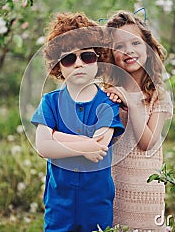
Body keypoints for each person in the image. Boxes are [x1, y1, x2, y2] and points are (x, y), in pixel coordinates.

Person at [30, 12, 125, 232]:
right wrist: (84, 148)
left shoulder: (107, 103)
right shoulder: (51, 102)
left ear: (99, 59)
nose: (79, 64)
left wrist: (56, 136)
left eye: (87, 56)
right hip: (59, 203)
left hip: (96, 204)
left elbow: (99, 146)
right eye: (69, 58)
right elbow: (43, 147)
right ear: (59, 66)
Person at [103, 10, 173, 231]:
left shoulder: (158, 94)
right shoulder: (107, 92)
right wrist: (114, 101)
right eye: (119, 47)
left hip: (147, 191)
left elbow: (147, 142)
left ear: (148, 49)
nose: (128, 51)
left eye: (135, 43)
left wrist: (132, 104)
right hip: (115, 188)